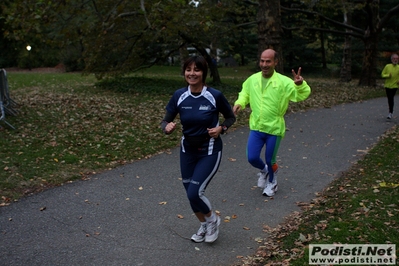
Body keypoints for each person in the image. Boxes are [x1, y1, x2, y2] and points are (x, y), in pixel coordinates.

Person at [161, 56, 236, 243]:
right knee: (190, 194)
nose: (192, 73)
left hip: (209, 150)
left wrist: (221, 129)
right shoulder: (180, 95)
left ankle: (212, 220)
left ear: (203, 73)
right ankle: (203, 225)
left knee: (195, 192)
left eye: (197, 70)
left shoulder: (214, 95)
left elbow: (230, 117)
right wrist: (166, 127)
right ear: (184, 72)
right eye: (188, 69)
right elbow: (166, 120)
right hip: (187, 151)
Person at [233, 49, 311, 197]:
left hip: (274, 129)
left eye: (268, 61)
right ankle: (265, 171)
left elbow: (300, 95)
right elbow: (245, 94)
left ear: (276, 62)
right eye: (262, 61)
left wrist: (300, 85)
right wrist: (240, 103)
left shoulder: (284, 82)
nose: (264, 64)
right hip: (257, 127)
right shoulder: (252, 80)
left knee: (270, 159)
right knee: (252, 157)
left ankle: (272, 182)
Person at [381, 53, 399, 119]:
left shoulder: (398, 67)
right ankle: (390, 111)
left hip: (395, 86)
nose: (395, 60)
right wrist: (388, 75)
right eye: (394, 59)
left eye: (397, 59)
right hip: (387, 85)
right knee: (389, 98)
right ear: (391, 59)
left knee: (391, 97)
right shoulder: (387, 66)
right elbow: (382, 74)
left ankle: (390, 113)